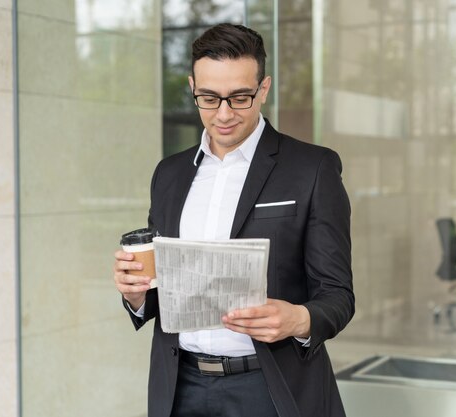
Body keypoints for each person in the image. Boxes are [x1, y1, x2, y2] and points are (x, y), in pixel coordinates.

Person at [113, 23, 354, 417]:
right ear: (192, 87)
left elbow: (338, 295)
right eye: (209, 97)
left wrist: (299, 318)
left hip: (271, 388)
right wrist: (137, 294)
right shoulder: (169, 174)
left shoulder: (313, 168)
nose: (224, 114)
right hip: (179, 388)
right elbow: (167, 291)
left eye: (240, 97)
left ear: (264, 88)